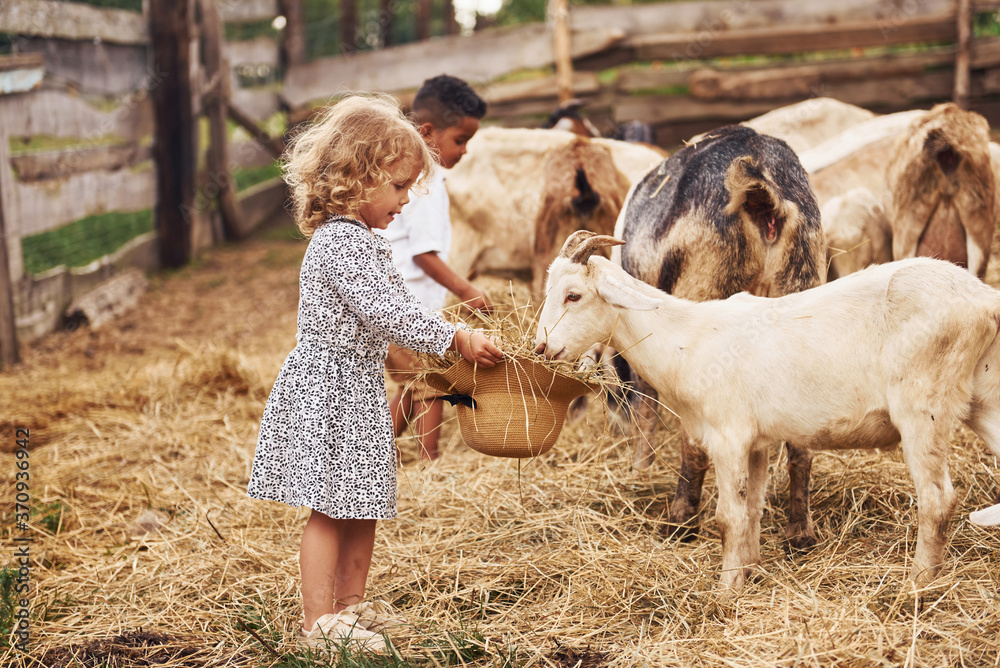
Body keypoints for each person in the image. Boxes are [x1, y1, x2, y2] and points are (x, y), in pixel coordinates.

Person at [246, 94, 504, 651]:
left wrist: (442, 334)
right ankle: (318, 624)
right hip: (328, 385)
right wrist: (453, 337)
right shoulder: (341, 241)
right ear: (355, 178)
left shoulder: (364, 240)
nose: (406, 200)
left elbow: (393, 306)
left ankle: (350, 609)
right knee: (328, 506)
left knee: (362, 499)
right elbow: (385, 311)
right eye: (398, 186)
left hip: (358, 383)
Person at [381, 74, 490, 460]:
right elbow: (423, 255)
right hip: (405, 305)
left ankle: (376, 452)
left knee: (414, 385)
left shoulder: (419, 176)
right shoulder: (423, 181)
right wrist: (467, 290)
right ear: (427, 133)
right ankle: (431, 467)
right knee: (432, 383)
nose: (464, 151)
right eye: (460, 140)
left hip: (400, 304)